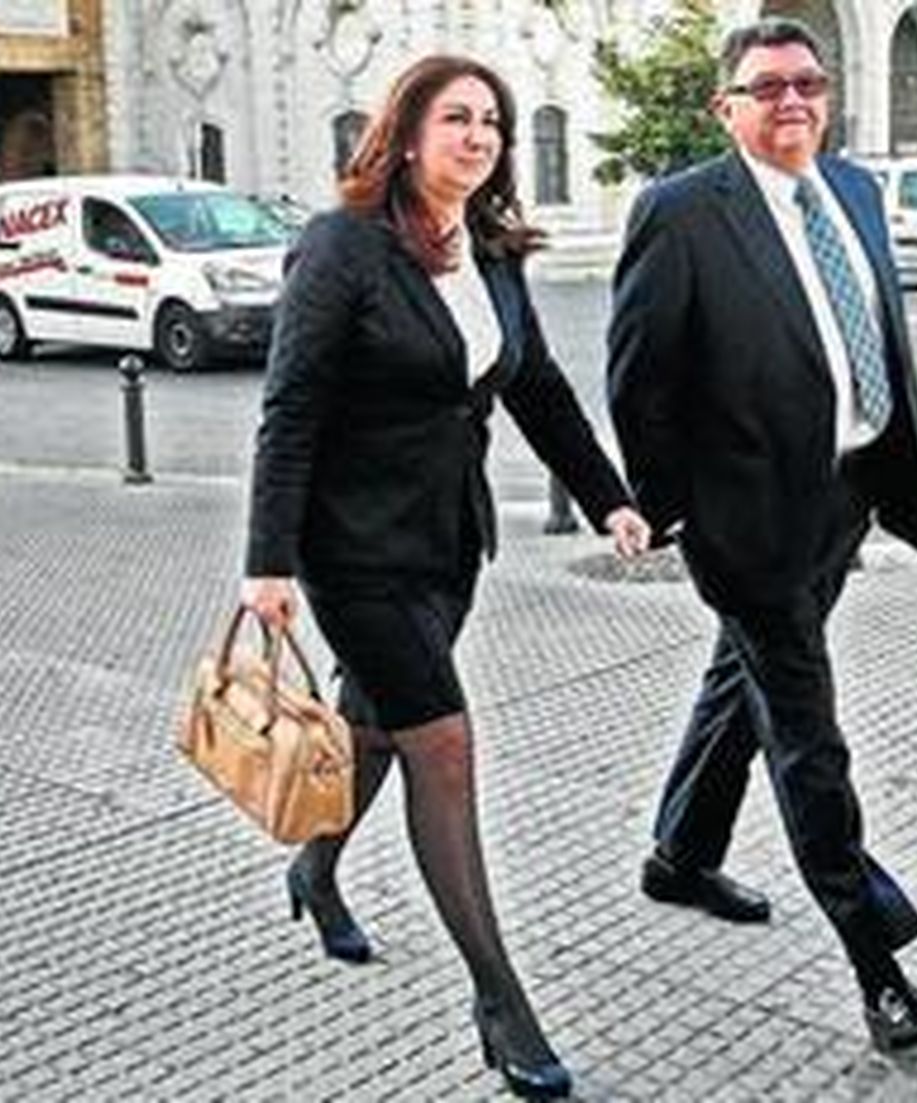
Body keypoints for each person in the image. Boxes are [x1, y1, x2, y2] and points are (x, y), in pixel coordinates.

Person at [242, 54, 650, 1100]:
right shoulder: (343, 245)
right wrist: (267, 563)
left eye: (492, 123)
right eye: (456, 118)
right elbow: (291, 406)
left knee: (376, 726)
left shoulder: (491, 251)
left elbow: (538, 388)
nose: (478, 137)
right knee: (444, 745)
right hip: (353, 552)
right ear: (407, 133)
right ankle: (501, 1000)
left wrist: (608, 497)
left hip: (448, 545)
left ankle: (316, 869)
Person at [607, 17, 917, 1053]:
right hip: (747, 527)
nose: (792, 99)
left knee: (741, 681)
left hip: (843, 500)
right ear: (727, 108)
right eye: (766, 87)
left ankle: (679, 854)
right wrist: (681, 514)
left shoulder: (853, 189)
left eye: (808, 82)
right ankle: (878, 967)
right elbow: (638, 381)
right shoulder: (681, 213)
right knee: (808, 736)